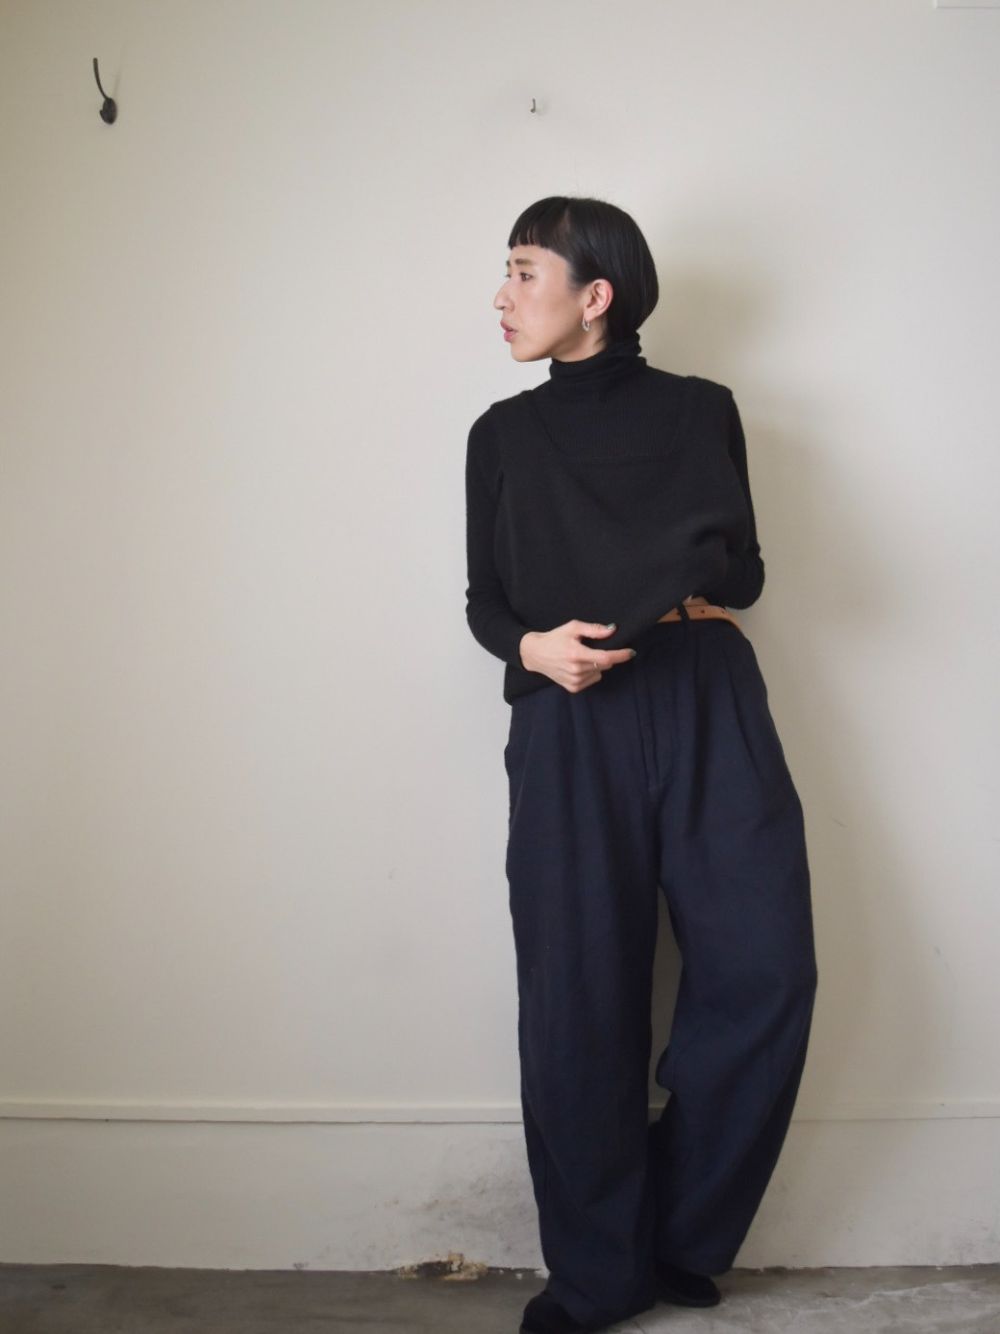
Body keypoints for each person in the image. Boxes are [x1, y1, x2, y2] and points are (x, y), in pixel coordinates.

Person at [464, 196, 819, 1334]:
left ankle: (676, 1234)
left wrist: (679, 588)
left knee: (765, 971)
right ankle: (597, 1274)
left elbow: (746, 572)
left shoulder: (704, 409)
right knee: (579, 995)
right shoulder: (501, 435)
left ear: (596, 295)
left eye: (525, 271)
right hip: (570, 716)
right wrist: (533, 648)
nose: (502, 295)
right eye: (506, 272)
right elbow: (485, 601)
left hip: (706, 689)